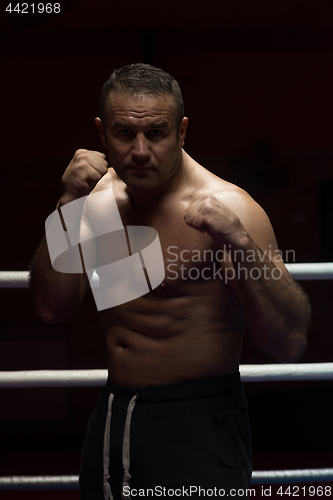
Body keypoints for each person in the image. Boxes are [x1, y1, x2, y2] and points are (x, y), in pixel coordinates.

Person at [29, 63, 311, 499]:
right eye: (125, 133)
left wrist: (239, 242)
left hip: (199, 420)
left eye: (156, 133)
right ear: (102, 133)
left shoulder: (228, 206)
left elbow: (288, 341)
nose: (140, 150)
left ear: (181, 132)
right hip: (115, 412)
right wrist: (67, 204)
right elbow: (51, 307)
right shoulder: (94, 202)